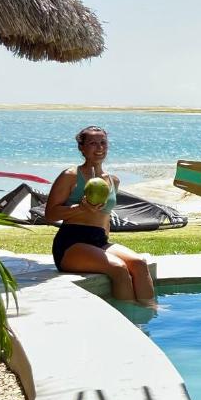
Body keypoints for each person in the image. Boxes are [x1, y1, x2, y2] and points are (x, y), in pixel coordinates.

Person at [44, 126, 154, 304]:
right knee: (118, 269)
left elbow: (106, 217)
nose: (99, 147)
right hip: (71, 243)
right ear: (82, 148)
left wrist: (106, 239)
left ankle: (149, 314)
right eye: (93, 143)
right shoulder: (70, 176)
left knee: (139, 264)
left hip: (99, 241)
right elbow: (50, 215)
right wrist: (80, 208)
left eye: (103, 143)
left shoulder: (113, 180)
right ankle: (130, 317)